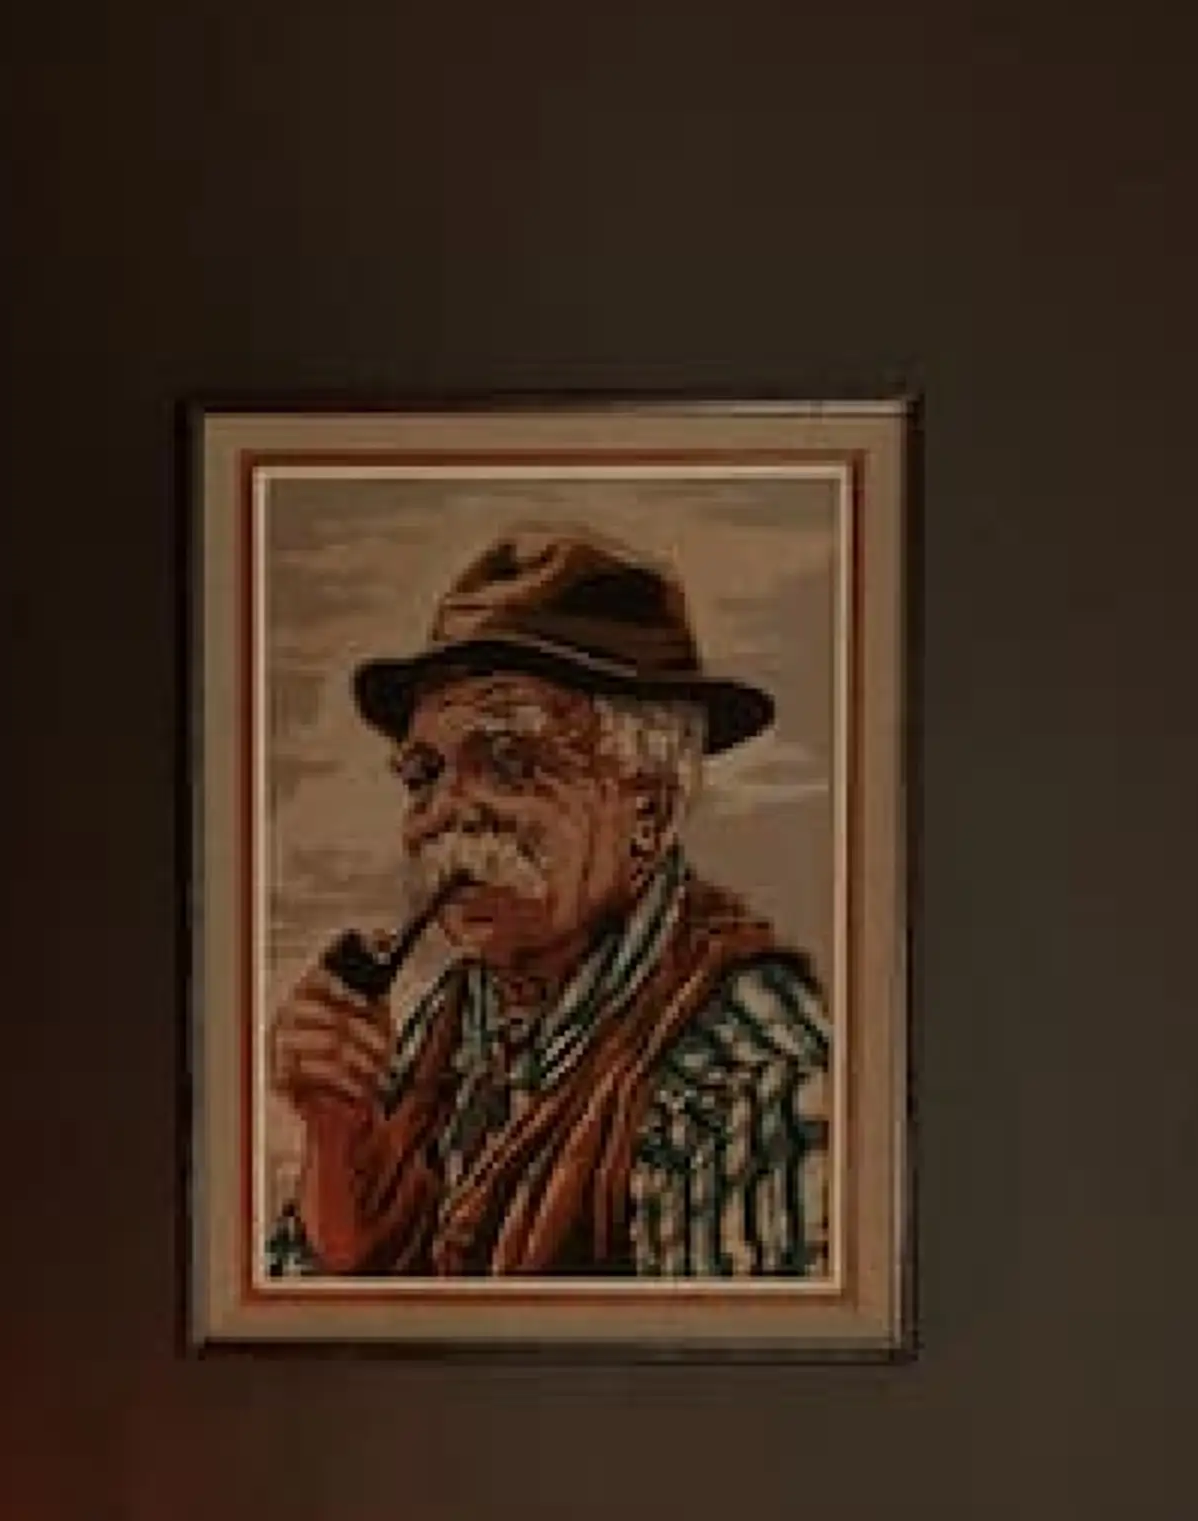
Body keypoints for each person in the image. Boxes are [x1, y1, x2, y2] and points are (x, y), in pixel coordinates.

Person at [268, 524, 834, 1282]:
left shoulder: (744, 1077)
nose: (443, 814)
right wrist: (337, 1134)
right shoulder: (452, 1024)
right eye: (424, 775)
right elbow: (303, 1313)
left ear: (649, 813)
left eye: (509, 762)